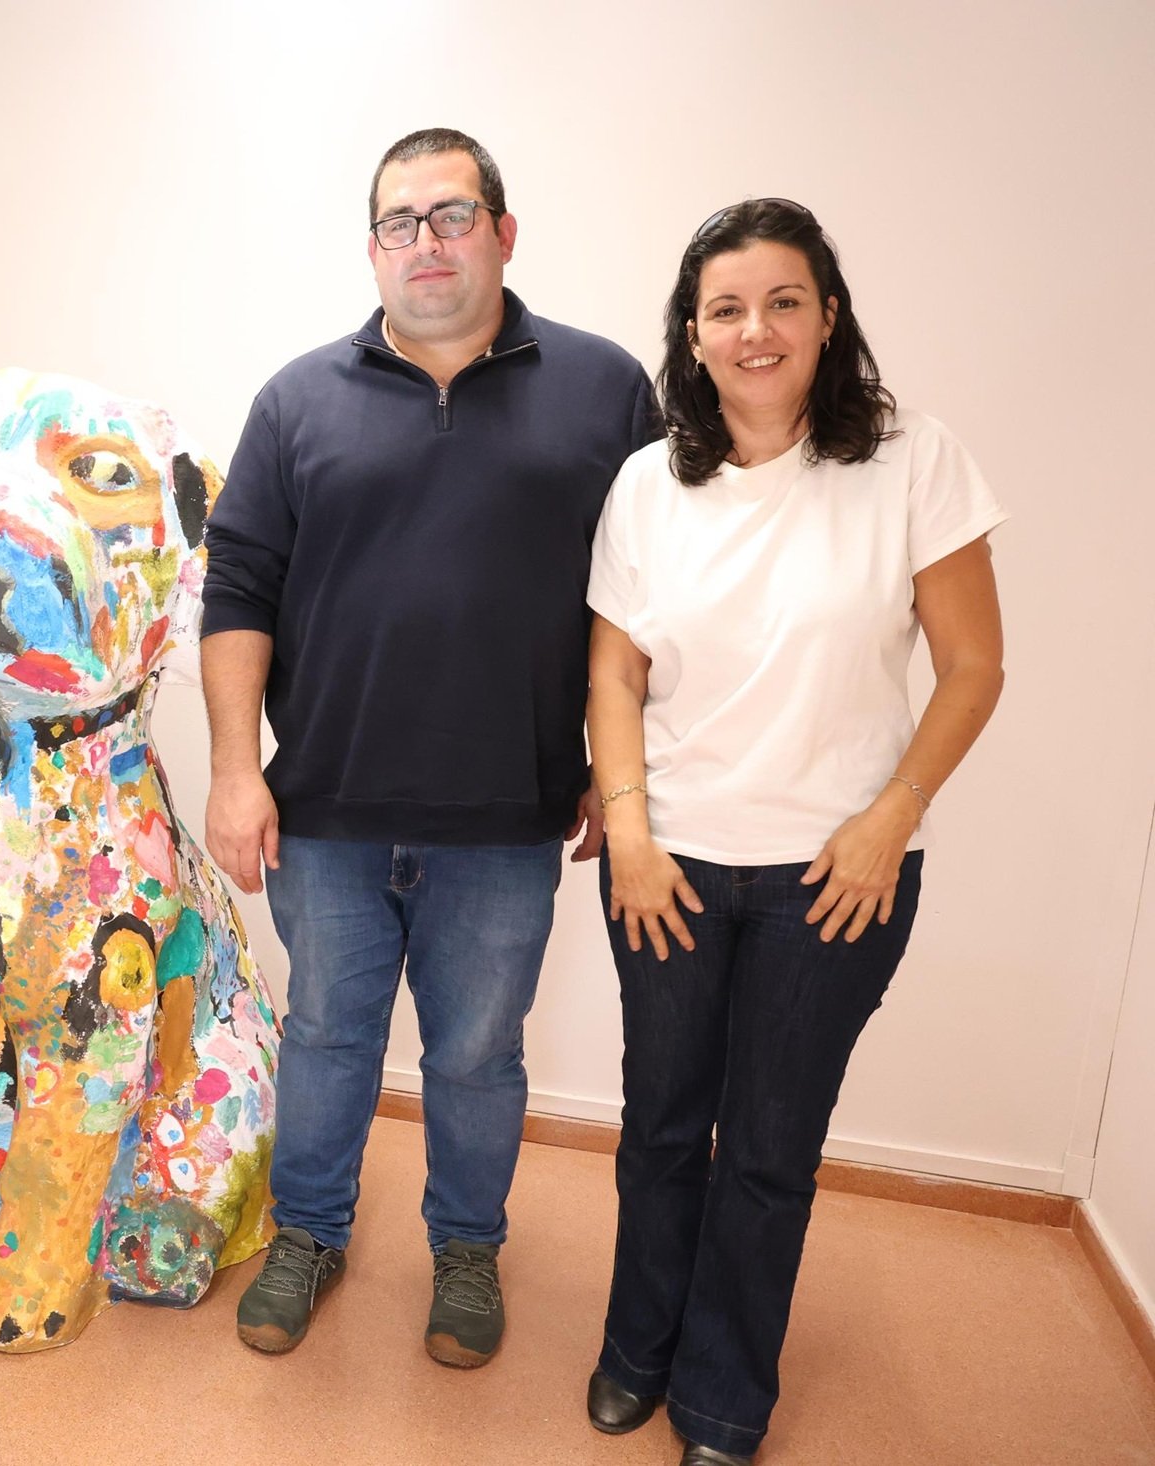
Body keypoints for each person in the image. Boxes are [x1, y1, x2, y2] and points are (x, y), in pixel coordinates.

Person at [201, 129, 657, 1365]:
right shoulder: (297, 399)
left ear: (505, 232)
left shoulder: (607, 391)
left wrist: (625, 776)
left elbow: (651, 600)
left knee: (473, 1053)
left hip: (507, 817)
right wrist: (236, 770)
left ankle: (465, 1248)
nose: (426, 243)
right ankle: (309, 1231)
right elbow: (236, 586)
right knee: (326, 1037)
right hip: (328, 811)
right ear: (371, 249)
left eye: (451, 215)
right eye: (400, 222)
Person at [582, 199, 1006, 1465]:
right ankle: (634, 1348)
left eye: (781, 301)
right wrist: (630, 829)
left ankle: (721, 1396)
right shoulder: (649, 483)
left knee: (767, 1150)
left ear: (827, 314)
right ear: (693, 333)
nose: (753, 329)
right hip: (670, 863)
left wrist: (893, 814)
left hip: (837, 877)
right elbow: (613, 678)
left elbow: (974, 666)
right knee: (660, 1126)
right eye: (725, 308)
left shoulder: (911, 461)